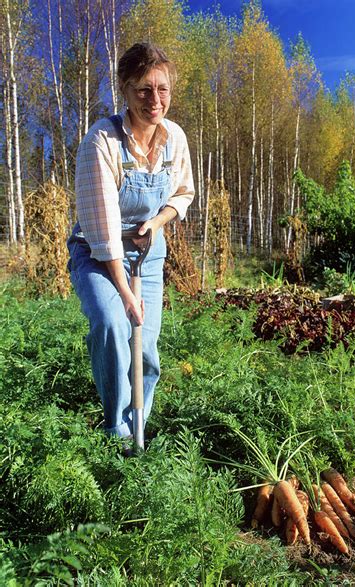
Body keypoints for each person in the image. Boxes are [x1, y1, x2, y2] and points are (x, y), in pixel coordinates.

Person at [67, 42, 194, 439]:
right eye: (143, 90)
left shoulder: (174, 139)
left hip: (147, 251)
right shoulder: (101, 142)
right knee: (112, 323)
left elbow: (183, 194)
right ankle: (116, 432)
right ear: (124, 89)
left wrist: (156, 223)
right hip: (97, 250)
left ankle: (139, 424)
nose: (154, 100)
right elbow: (103, 230)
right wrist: (124, 293)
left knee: (145, 346)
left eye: (162, 89)